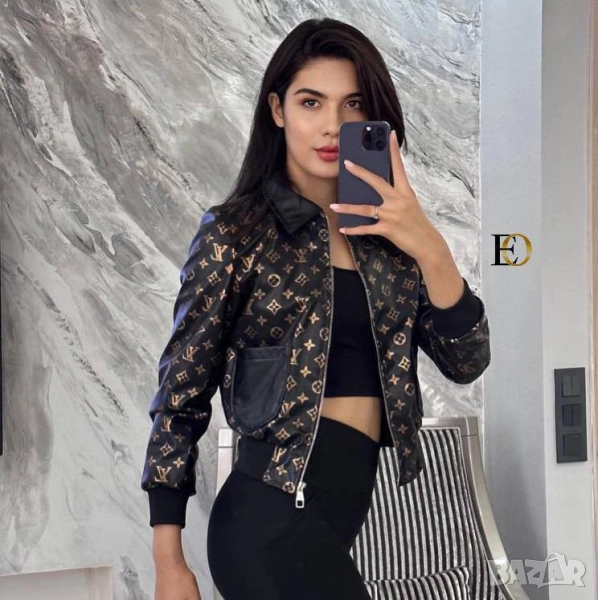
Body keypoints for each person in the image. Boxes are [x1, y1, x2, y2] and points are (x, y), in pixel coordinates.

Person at [141, 17, 491, 600]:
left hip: (333, 522)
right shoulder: (236, 234)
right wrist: (168, 562)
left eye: (353, 104)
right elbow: (180, 395)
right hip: (267, 523)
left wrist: (430, 245)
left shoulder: (391, 243)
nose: (333, 125)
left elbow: (467, 361)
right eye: (311, 102)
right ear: (277, 110)